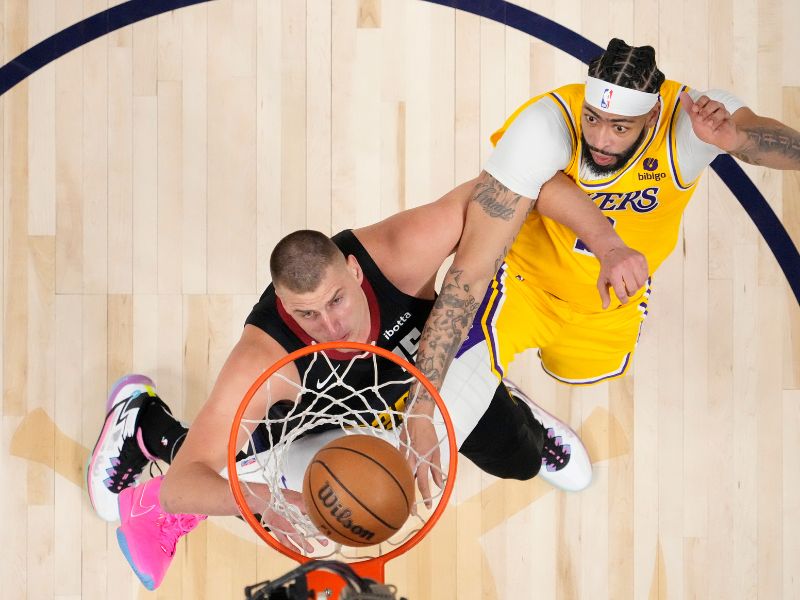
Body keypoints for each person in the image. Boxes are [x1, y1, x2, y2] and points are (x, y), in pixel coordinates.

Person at [87, 173, 646, 590]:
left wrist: (608, 243)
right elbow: (182, 486)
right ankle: (145, 425)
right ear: (282, 305)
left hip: (425, 378)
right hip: (320, 418)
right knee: (247, 463)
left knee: (517, 459)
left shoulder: (400, 253)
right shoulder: (265, 357)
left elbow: (527, 180)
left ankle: (504, 400)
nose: (331, 326)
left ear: (354, 272)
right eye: (307, 314)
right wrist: (272, 503)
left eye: (337, 300)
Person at [406, 38, 800, 499]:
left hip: (611, 302)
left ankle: (503, 392)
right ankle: (496, 399)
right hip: (521, 288)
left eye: (620, 126)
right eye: (592, 118)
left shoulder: (690, 121)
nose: (600, 139)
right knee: (436, 417)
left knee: (578, 373)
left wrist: (737, 141)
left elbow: (782, 146)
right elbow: (468, 273)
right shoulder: (544, 125)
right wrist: (420, 406)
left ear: (652, 116)